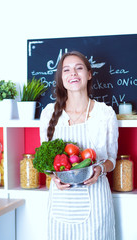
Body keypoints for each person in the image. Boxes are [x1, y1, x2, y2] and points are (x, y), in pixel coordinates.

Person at [40, 51, 118, 240]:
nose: (73, 73)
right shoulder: (49, 113)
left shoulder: (105, 113)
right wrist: (53, 176)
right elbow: (45, 160)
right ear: (61, 78)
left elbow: (111, 160)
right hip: (61, 202)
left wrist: (99, 168)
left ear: (89, 74)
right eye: (66, 70)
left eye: (79, 68)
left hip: (96, 201)